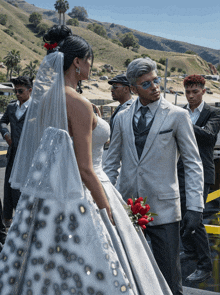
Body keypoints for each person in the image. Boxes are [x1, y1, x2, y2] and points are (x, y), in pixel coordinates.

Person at [0, 25, 172, 295]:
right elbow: (84, 167)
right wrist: (109, 211)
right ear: (77, 63)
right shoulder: (77, 103)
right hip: (87, 191)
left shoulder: (44, 101)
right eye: (90, 61)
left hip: (51, 196)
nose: (91, 67)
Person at [103, 57, 204, 295]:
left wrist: (196, 208)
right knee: (128, 274)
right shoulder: (122, 117)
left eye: (156, 80)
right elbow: (110, 163)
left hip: (165, 208)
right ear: (134, 88)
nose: (155, 86)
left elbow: (192, 162)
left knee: (170, 277)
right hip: (126, 207)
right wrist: (107, 202)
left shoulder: (177, 115)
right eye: (146, 84)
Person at [178, 74, 220, 282]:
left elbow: (209, 136)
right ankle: (190, 251)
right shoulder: (181, 112)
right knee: (180, 213)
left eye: (195, 92)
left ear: (204, 91)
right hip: (179, 171)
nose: (190, 96)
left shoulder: (214, 113)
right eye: (187, 92)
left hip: (202, 172)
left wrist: (182, 122)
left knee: (195, 217)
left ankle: (205, 265)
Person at [0, 76, 33, 228]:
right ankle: (8, 219)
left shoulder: (36, 108)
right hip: (13, 154)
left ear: (30, 90)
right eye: (15, 91)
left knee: (26, 188)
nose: (17, 94)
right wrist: (6, 134)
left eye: (20, 91)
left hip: (30, 156)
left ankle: (26, 221)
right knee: (9, 187)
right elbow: (2, 122)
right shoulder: (12, 107)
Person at [108, 74, 134, 139]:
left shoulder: (132, 110)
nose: (112, 90)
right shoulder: (121, 107)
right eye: (112, 87)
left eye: (115, 86)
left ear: (125, 89)